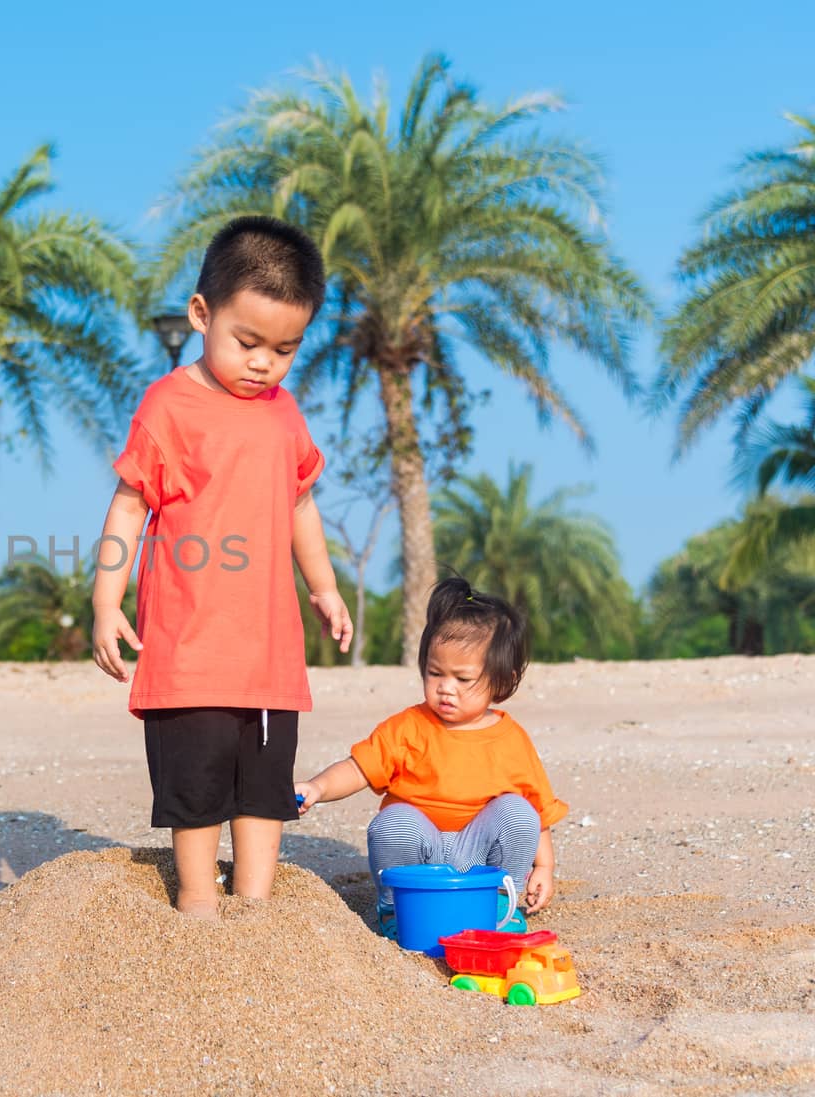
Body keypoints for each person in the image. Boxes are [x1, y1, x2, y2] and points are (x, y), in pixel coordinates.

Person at [91, 215, 352, 920]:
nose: (264, 362)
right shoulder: (169, 406)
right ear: (201, 314)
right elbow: (128, 507)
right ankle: (200, 899)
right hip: (189, 647)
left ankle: (257, 903)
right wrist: (105, 601)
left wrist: (324, 588)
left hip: (269, 649)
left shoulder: (284, 413)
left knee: (264, 784)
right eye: (247, 342)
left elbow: (300, 505)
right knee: (198, 779)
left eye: (286, 349)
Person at [295, 576, 567, 935]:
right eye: (435, 673)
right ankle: (397, 908)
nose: (445, 689)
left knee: (518, 813)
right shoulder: (410, 726)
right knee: (393, 823)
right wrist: (317, 787)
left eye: (463, 679)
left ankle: (501, 901)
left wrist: (543, 867)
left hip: (480, 857)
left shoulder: (511, 738)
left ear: (502, 681)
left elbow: (539, 811)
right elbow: (358, 768)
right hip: (421, 855)